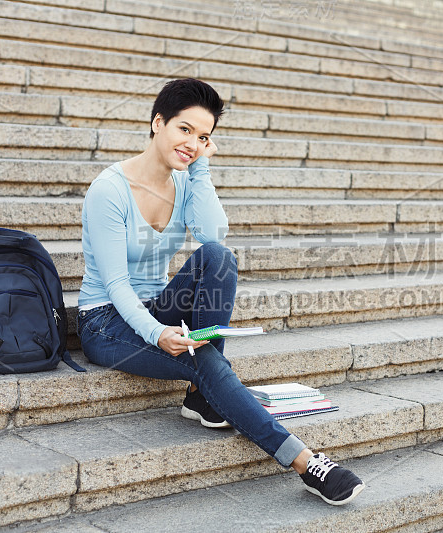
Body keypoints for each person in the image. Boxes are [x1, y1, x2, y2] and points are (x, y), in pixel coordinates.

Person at [76, 78, 365, 505]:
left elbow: (215, 234)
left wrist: (201, 170)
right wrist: (157, 333)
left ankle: (203, 392)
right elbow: (116, 284)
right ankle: (306, 462)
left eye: (204, 136)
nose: (193, 143)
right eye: (185, 129)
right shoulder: (110, 189)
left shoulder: (187, 179)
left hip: (157, 305)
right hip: (105, 321)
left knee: (217, 255)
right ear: (158, 123)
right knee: (205, 359)